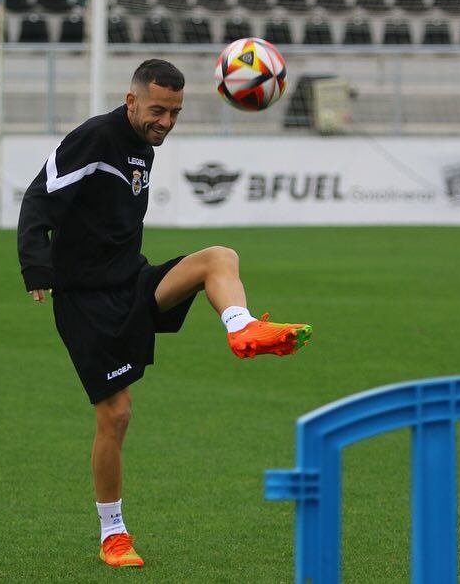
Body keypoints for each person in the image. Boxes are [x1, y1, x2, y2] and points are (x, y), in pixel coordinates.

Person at [17, 59, 312, 569]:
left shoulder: (142, 142)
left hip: (131, 280)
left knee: (219, 257)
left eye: (175, 112)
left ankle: (242, 328)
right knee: (117, 414)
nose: (166, 122)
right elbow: (38, 196)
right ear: (130, 100)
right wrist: (35, 265)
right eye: (157, 110)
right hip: (85, 300)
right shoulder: (94, 138)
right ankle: (113, 532)